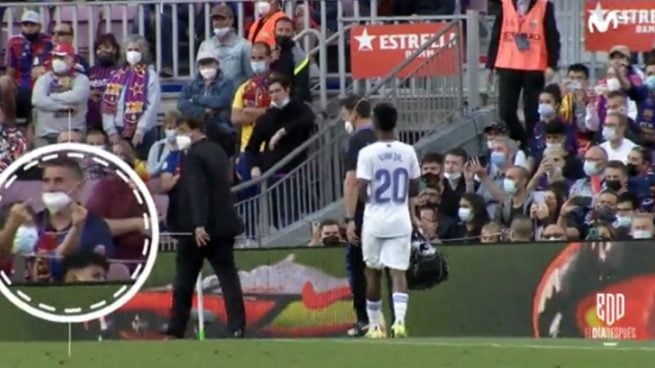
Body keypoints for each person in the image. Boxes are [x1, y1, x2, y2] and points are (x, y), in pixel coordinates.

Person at [165, 117, 245, 339]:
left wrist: (200, 224)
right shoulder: (217, 151)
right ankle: (237, 326)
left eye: (181, 130)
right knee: (228, 277)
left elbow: (197, 191)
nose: (176, 134)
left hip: (198, 230)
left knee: (184, 280)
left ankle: (176, 327)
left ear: (195, 131)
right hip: (224, 225)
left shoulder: (193, 155)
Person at [356, 102, 421, 338]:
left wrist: (371, 201)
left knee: (372, 271)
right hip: (400, 218)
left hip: (375, 219)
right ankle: (400, 322)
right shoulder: (408, 151)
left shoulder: (367, 153)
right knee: (398, 272)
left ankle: (375, 326)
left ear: (374, 121)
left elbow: (362, 187)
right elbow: (414, 186)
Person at [487, 0, 560, 148]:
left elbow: (552, 37)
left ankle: (533, 146)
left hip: (534, 65)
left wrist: (552, 64)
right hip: (508, 63)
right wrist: (490, 64)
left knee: (532, 112)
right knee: (506, 111)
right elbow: (496, 35)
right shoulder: (505, 4)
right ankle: (523, 141)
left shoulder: (544, 5)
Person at [341, 94, 375, 338]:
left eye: (345, 113)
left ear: (354, 113)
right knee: (390, 268)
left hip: (364, 211)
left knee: (357, 265)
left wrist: (350, 217)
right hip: (389, 208)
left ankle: (365, 319)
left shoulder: (357, 140)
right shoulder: (388, 139)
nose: (344, 118)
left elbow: (351, 181)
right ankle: (397, 319)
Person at [102, 34, 160, 160]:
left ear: (143, 52)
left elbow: (152, 106)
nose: (133, 53)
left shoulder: (151, 75)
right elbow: (107, 105)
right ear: (124, 52)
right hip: (118, 129)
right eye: (129, 50)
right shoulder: (115, 75)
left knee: (143, 169)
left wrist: (140, 130)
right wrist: (110, 130)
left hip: (144, 133)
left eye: (136, 50)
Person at [177, 49, 236, 159]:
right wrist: (203, 111)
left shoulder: (226, 83)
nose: (207, 67)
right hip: (196, 124)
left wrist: (195, 98)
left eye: (210, 64)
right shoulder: (192, 84)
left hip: (221, 127)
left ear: (217, 64)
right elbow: (181, 104)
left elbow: (220, 101)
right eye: (203, 65)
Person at [31, 43, 90, 147]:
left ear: (71, 60)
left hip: (74, 134)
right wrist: (61, 107)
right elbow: (37, 100)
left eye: (62, 57)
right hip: (45, 136)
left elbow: (76, 96)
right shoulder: (43, 79)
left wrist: (51, 97)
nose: (57, 60)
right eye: (55, 56)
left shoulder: (82, 79)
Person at [232, 42, 274, 188]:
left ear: (270, 58)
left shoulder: (276, 85)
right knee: (249, 198)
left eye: (261, 58)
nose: (257, 62)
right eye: (253, 58)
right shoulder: (244, 87)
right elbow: (236, 118)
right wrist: (264, 113)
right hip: (248, 151)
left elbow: (277, 115)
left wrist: (249, 111)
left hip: (270, 149)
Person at [6, 10, 53, 122]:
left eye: (32, 24)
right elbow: (10, 69)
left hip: (42, 82)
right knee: (4, 82)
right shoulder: (14, 42)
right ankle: (10, 124)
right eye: (25, 24)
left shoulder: (49, 41)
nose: (29, 28)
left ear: (39, 26)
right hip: (21, 84)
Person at [197, 4, 253, 90]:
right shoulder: (205, 45)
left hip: (236, 97)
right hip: (211, 97)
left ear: (231, 20)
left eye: (222, 19)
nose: (218, 22)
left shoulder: (245, 45)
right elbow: (198, 75)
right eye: (215, 19)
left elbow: (250, 75)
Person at [270, 17, 311, 102]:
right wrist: (268, 62)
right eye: (280, 30)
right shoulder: (267, 53)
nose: (284, 34)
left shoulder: (300, 56)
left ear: (293, 33)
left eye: (287, 30)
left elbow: (301, 88)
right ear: (274, 32)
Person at [86, 34, 121, 130]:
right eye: (99, 48)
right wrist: (88, 94)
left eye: (106, 47)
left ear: (115, 50)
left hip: (114, 123)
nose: (102, 51)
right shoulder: (89, 71)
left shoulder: (122, 71)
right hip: (91, 123)